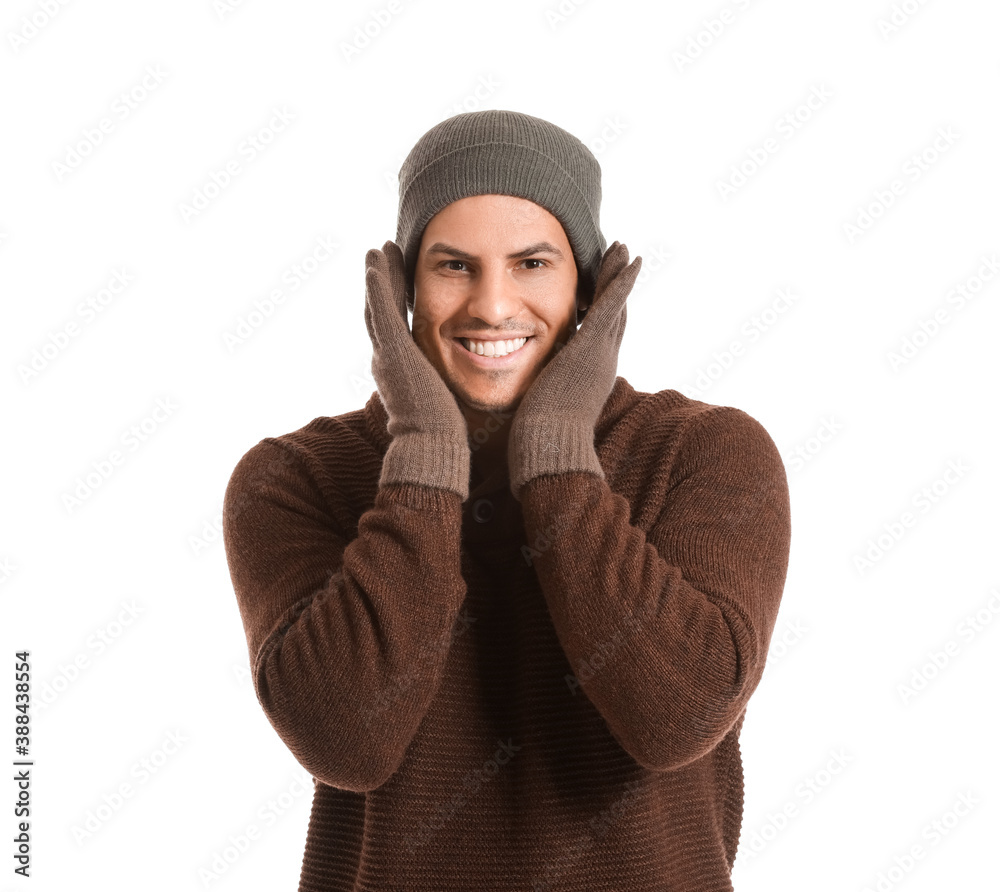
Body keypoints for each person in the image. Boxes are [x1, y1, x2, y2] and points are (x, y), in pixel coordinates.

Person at [222, 108, 791, 891]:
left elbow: (676, 718)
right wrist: (423, 450)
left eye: (531, 264)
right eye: (454, 266)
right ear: (399, 291)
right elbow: (346, 741)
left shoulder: (706, 454)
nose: (492, 305)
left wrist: (556, 452)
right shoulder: (294, 478)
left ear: (592, 286)